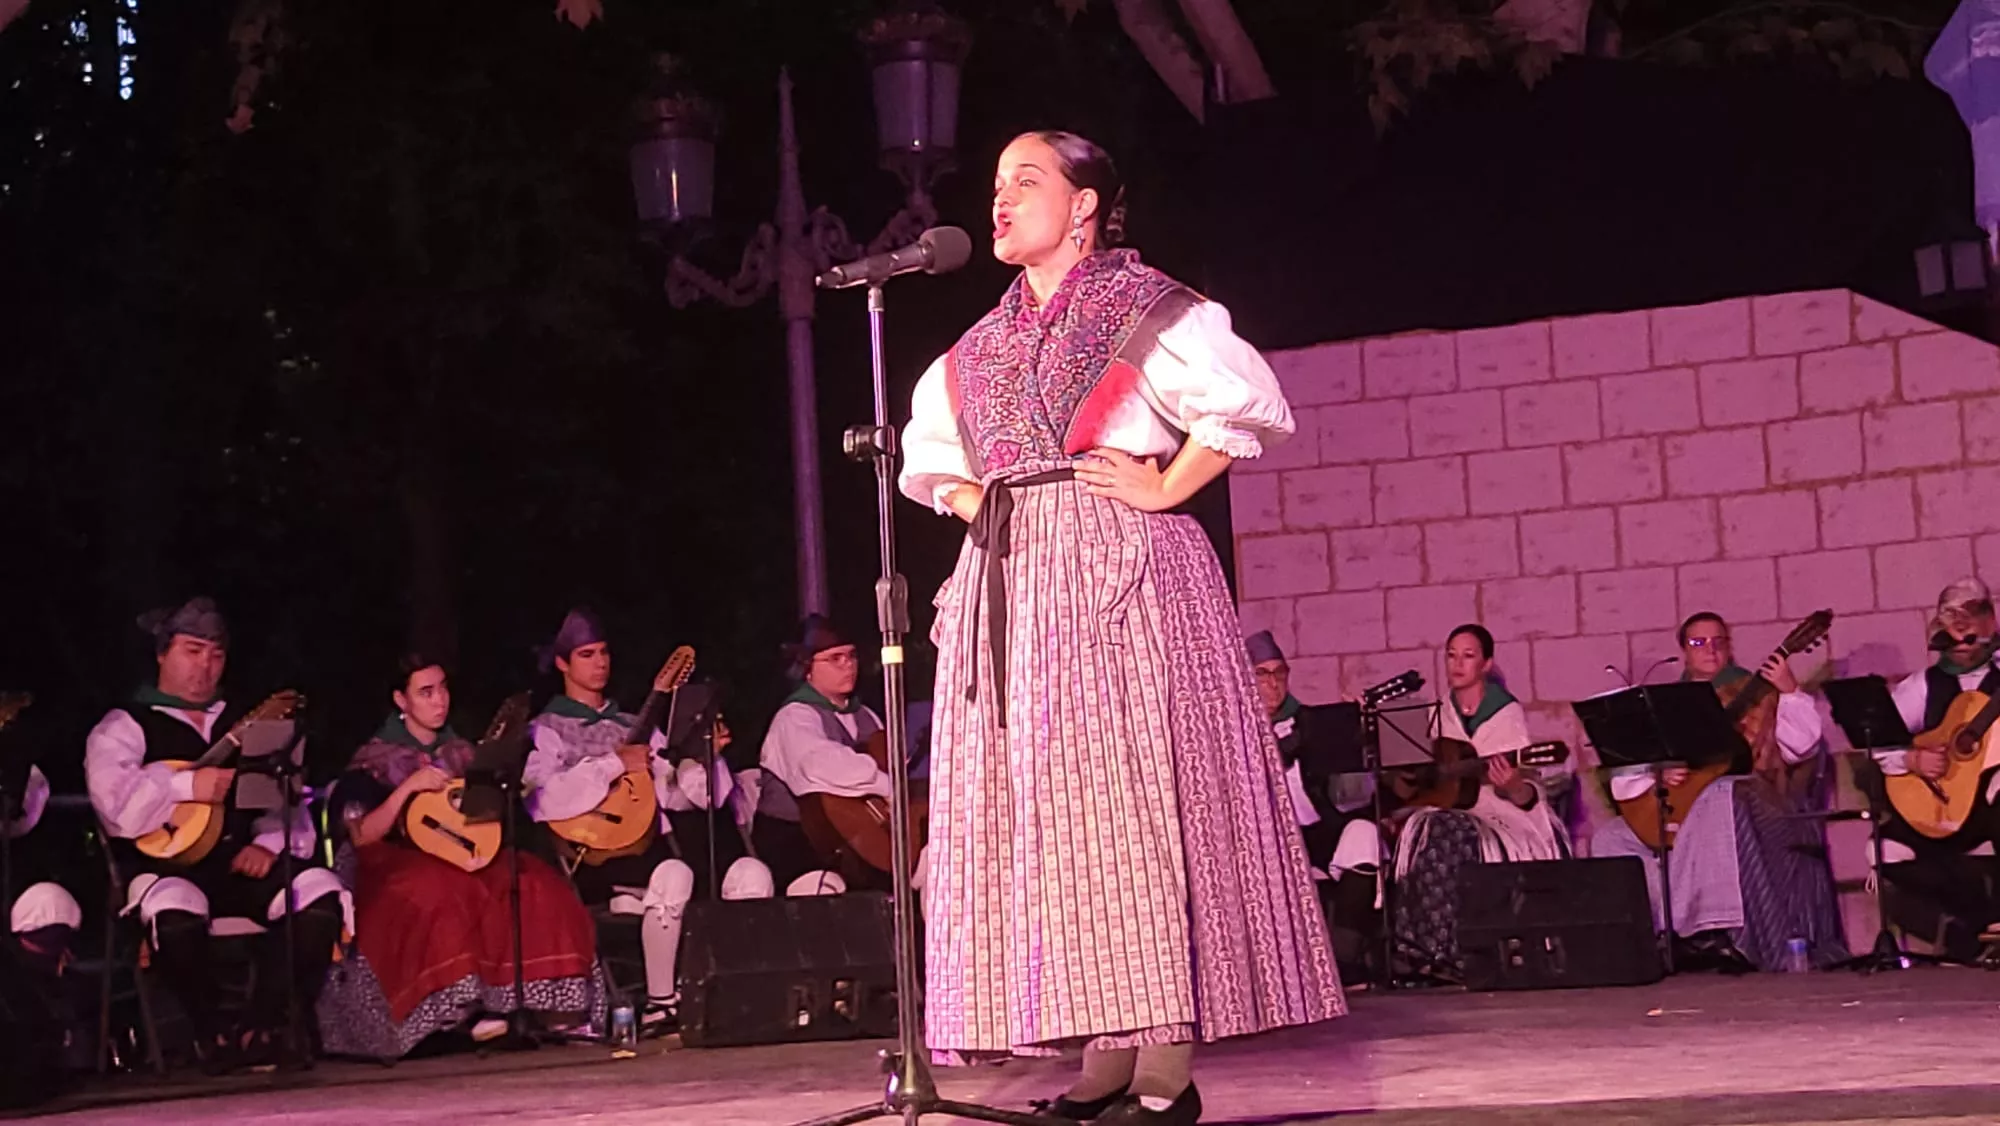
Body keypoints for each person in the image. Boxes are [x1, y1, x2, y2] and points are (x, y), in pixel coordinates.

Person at [899, 130, 1341, 1126]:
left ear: (1086, 203)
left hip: (1117, 570)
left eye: (1026, 182)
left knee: (1130, 816)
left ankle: (1160, 1076)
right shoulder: (981, 344)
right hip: (1014, 579)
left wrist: (1166, 483)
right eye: (996, 185)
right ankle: (1099, 1068)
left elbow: (1246, 401)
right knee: (1054, 830)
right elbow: (927, 457)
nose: (1000, 202)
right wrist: (988, 507)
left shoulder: (1142, 308)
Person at [84, 598, 345, 1071]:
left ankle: (260, 1025)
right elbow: (115, 806)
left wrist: (268, 843)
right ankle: (209, 1033)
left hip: (239, 867)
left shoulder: (243, 724)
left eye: (216, 654)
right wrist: (187, 784)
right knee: (175, 911)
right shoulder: (125, 726)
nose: (205, 666)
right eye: (192, 650)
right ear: (163, 653)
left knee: (319, 894)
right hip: (167, 868)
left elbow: (280, 796)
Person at [317, 656, 600, 1059]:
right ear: (402, 700)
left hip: (465, 850)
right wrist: (409, 789)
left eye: (443, 688)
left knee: (533, 881)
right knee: (440, 891)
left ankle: (549, 1005)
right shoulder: (374, 760)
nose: (439, 701)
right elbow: (362, 835)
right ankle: (458, 1011)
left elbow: (492, 817)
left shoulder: (462, 753)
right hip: (395, 858)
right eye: (425, 692)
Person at [523, 608, 770, 1021]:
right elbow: (545, 799)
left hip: (654, 849)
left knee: (750, 873)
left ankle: (742, 996)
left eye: (604, 652)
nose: (600, 662)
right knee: (673, 875)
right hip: (595, 856)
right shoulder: (545, 729)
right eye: (586, 654)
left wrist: (705, 758)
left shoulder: (632, 722)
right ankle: (661, 1004)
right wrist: (612, 765)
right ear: (562, 663)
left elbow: (683, 797)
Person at [1590, 612, 1846, 971]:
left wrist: (1789, 691)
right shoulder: (1664, 704)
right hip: (1679, 807)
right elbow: (1625, 775)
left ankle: (1709, 932)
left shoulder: (1755, 691)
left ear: (1729, 647)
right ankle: (1643, 937)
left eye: (1718, 642)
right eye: (1698, 643)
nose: (1709, 650)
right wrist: (1659, 777)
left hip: (1753, 806)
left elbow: (1800, 745)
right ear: (1683, 651)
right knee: (1611, 838)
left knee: (1718, 794)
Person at [1389, 625, 1567, 981]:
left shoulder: (1506, 713)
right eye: (1451, 655)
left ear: (1486, 664)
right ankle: (1416, 947)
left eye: (1468, 656)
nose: (1457, 663)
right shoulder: (1438, 712)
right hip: (1450, 807)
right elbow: (1423, 770)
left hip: (1501, 814)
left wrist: (1513, 784)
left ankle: (1451, 950)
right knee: (1424, 826)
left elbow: (1527, 794)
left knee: (1442, 829)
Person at [1877, 578, 2000, 959]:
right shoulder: (1920, 687)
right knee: (1884, 850)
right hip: (1939, 806)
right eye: (1954, 622)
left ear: (1990, 623)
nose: (1963, 631)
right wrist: (1912, 760)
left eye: (1972, 619)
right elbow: (1879, 742)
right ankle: (1974, 921)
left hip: (1989, 809)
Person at [1246, 631, 1380, 978]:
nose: (1273, 684)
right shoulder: (1235, 731)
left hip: (1315, 830)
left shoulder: (1311, 723)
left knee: (1363, 833)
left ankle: (1345, 961)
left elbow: (1351, 791)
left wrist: (1357, 732)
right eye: (1263, 674)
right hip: (1266, 837)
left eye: (1280, 673)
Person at [754, 617, 900, 895]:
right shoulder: (794, 716)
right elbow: (820, 765)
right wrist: (887, 785)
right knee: (828, 889)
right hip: (798, 841)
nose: (848, 665)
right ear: (808, 668)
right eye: (835, 658)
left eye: (851, 656)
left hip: (857, 840)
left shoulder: (866, 715)